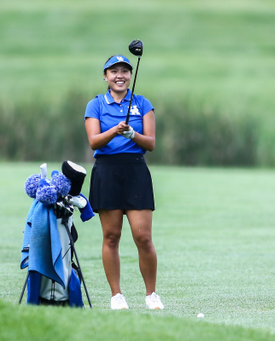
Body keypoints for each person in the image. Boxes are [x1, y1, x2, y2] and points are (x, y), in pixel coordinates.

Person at [84, 55, 164, 310]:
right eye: (114, 71)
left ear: (130, 75)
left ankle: (151, 294)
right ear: (105, 77)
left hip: (135, 171)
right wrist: (115, 131)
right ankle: (116, 296)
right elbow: (94, 141)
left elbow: (150, 143)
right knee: (111, 236)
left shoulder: (142, 103)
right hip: (107, 171)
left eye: (125, 71)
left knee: (143, 237)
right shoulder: (95, 105)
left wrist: (133, 134)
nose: (120, 75)